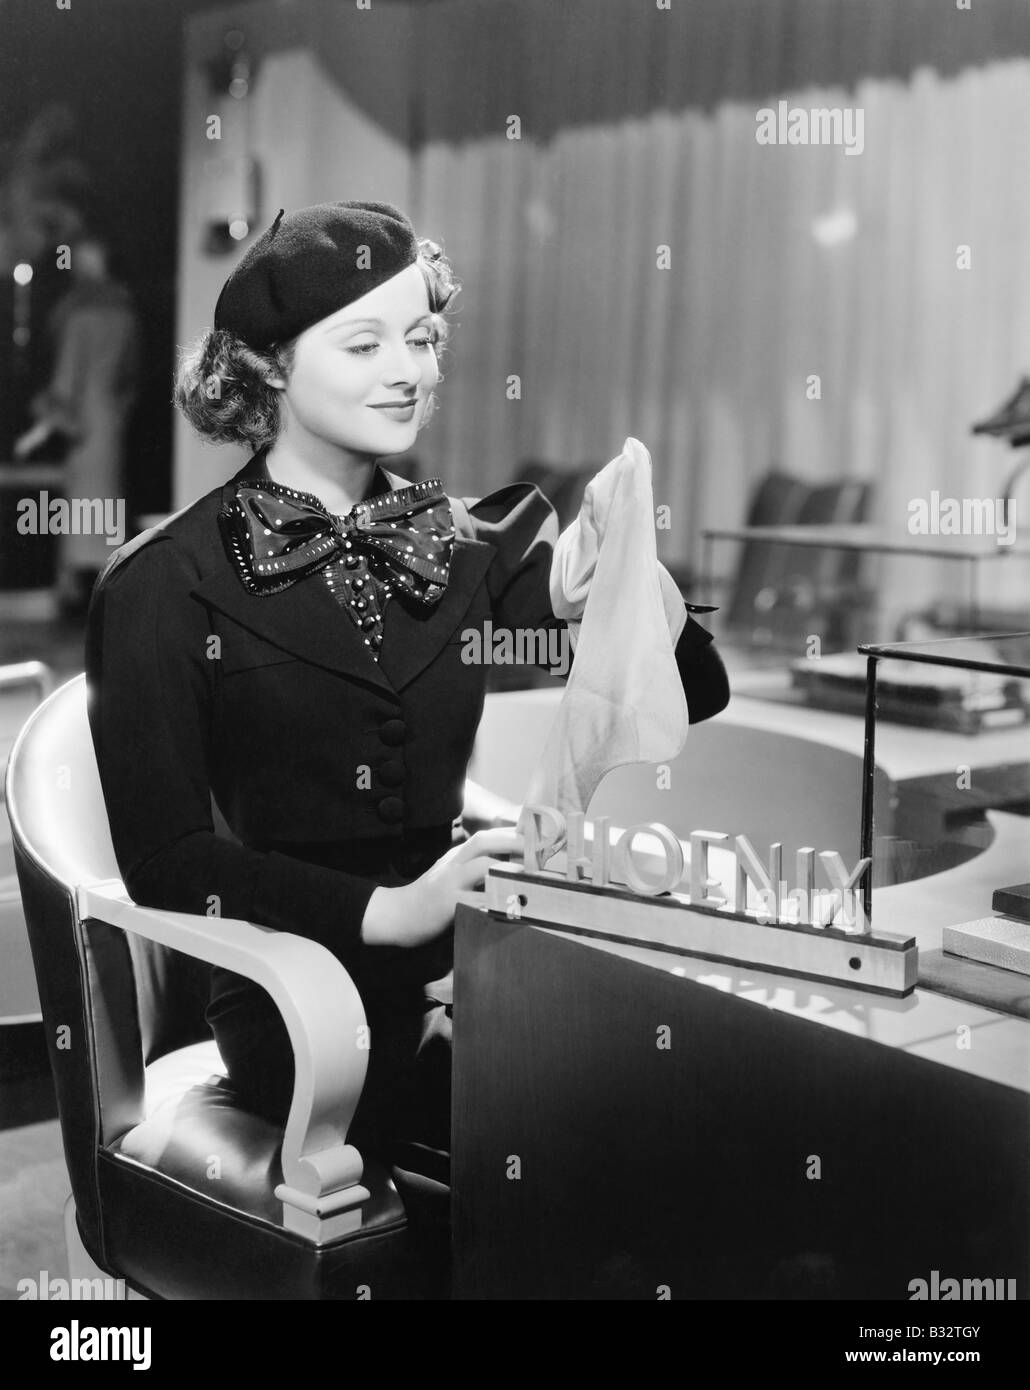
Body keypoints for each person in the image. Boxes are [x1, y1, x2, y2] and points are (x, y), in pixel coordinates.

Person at [85, 201, 729, 1194]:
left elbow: (697, 690)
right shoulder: (162, 584)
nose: (410, 370)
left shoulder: (477, 546)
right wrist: (389, 909)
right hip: (300, 1005)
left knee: (688, 1103)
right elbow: (168, 859)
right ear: (266, 365)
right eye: (365, 341)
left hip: (483, 976)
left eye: (424, 339)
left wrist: (624, 579)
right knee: (576, 1151)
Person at [15, 230, 139, 616]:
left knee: (81, 510)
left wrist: (44, 427)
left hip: (82, 422)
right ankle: (101, 594)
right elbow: (128, 377)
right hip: (109, 421)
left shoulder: (81, 313)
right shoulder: (123, 310)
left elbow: (68, 378)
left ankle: (77, 598)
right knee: (101, 510)